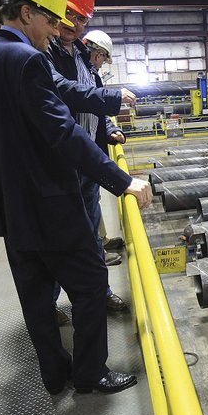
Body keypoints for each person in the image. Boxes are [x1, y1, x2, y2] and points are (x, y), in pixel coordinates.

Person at [0, 0, 152, 395]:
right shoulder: (27, 60)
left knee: (37, 297)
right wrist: (123, 181)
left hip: (8, 206)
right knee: (91, 282)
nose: (56, 30)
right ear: (26, 13)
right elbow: (63, 134)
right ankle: (89, 374)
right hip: (50, 203)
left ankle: (54, 374)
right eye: (50, 20)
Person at [45, 0, 130, 315]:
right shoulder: (43, 55)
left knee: (91, 235)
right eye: (68, 15)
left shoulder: (81, 55)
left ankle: (101, 293)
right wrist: (111, 100)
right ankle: (50, 304)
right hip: (59, 165)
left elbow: (90, 98)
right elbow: (65, 92)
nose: (74, 23)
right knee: (58, 239)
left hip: (87, 164)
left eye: (80, 19)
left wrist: (107, 128)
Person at [82, 29, 126, 255]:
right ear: (97, 53)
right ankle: (96, 253)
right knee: (85, 206)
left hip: (89, 148)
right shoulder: (76, 72)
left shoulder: (91, 75)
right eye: (102, 58)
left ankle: (101, 240)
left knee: (92, 200)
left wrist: (111, 129)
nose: (101, 64)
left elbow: (97, 114)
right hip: (80, 151)